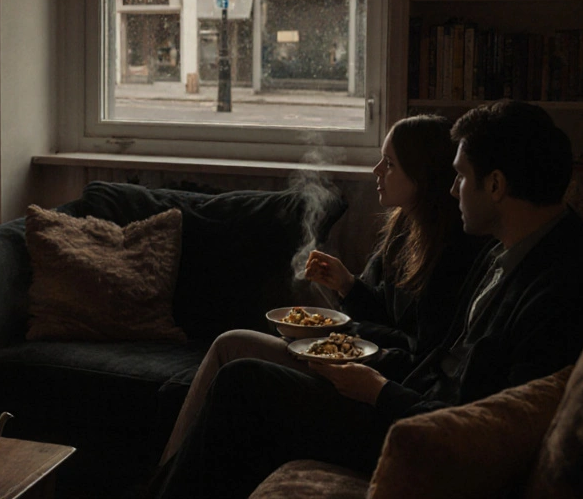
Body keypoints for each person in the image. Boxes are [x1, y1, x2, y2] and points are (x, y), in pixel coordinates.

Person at [154, 100, 583, 499]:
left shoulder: (567, 286)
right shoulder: (511, 251)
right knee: (244, 380)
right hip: (408, 398)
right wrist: (372, 361)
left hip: (416, 429)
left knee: (244, 382)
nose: (451, 188)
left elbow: (476, 422)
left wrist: (378, 389)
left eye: (461, 176)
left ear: (496, 185)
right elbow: (436, 353)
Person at [157, 114, 487, 467]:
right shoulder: (403, 229)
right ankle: (167, 470)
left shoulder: (451, 254)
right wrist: (346, 284)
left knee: (235, 361)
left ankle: (169, 477)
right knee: (230, 342)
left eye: (389, 164)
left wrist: (341, 335)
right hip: (353, 359)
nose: (376, 170)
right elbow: (386, 312)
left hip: (372, 377)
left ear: (423, 175)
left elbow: (420, 352)